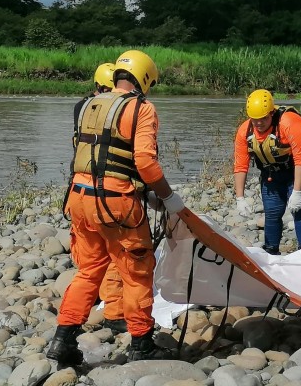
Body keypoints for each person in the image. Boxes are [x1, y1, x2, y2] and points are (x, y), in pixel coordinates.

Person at [47, 50, 184, 365]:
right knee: (137, 272)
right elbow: (145, 162)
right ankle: (140, 344)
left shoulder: (88, 105)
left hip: (79, 197)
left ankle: (62, 339)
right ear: (145, 78)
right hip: (116, 202)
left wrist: (142, 191)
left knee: (89, 269)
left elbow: (96, 155)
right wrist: (166, 196)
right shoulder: (142, 108)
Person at [70, 62, 128, 335]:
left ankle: (70, 324)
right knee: (116, 253)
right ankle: (113, 311)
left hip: (80, 188)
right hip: (109, 192)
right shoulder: (122, 108)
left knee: (89, 257)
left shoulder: (82, 107)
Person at [233, 89, 301, 255]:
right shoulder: (244, 131)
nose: (259, 123)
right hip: (271, 173)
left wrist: (297, 192)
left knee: (300, 211)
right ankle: (271, 252)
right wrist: (240, 198)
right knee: (272, 212)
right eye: (255, 119)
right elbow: (240, 166)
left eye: (264, 118)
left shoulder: (289, 122)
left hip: (299, 169)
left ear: (271, 113)